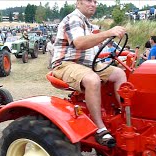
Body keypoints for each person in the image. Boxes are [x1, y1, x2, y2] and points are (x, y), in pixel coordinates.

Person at [51, 0, 127, 147]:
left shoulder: (88, 24)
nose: (93, 4)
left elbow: (95, 46)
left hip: (87, 64)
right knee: (93, 79)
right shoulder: (73, 19)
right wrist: (108, 32)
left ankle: (126, 115)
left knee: (119, 73)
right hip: (66, 64)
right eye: (89, 1)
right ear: (78, 3)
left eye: (95, 1)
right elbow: (80, 43)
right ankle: (100, 129)